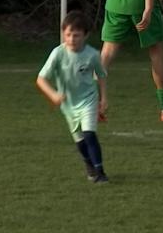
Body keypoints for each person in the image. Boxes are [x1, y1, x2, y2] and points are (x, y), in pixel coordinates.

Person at [36, 11, 109, 183]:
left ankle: (100, 172)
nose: (71, 39)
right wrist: (53, 94)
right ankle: (88, 164)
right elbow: (40, 79)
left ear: (85, 35)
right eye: (68, 35)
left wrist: (103, 98)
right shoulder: (58, 53)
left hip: (88, 100)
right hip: (68, 104)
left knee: (89, 134)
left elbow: (101, 75)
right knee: (80, 142)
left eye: (76, 35)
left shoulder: (92, 55)